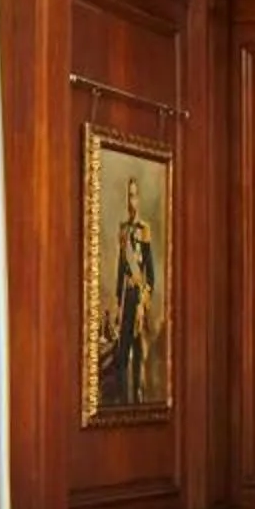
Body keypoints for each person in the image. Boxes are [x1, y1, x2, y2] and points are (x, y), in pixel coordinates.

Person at [107, 174, 160, 407]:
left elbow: (151, 274)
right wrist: (118, 304)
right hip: (127, 299)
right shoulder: (123, 231)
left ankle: (138, 404)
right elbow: (121, 271)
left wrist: (143, 302)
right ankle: (124, 404)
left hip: (139, 301)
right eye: (129, 196)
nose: (132, 201)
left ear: (139, 199)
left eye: (135, 196)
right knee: (121, 356)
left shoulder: (144, 230)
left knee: (139, 356)